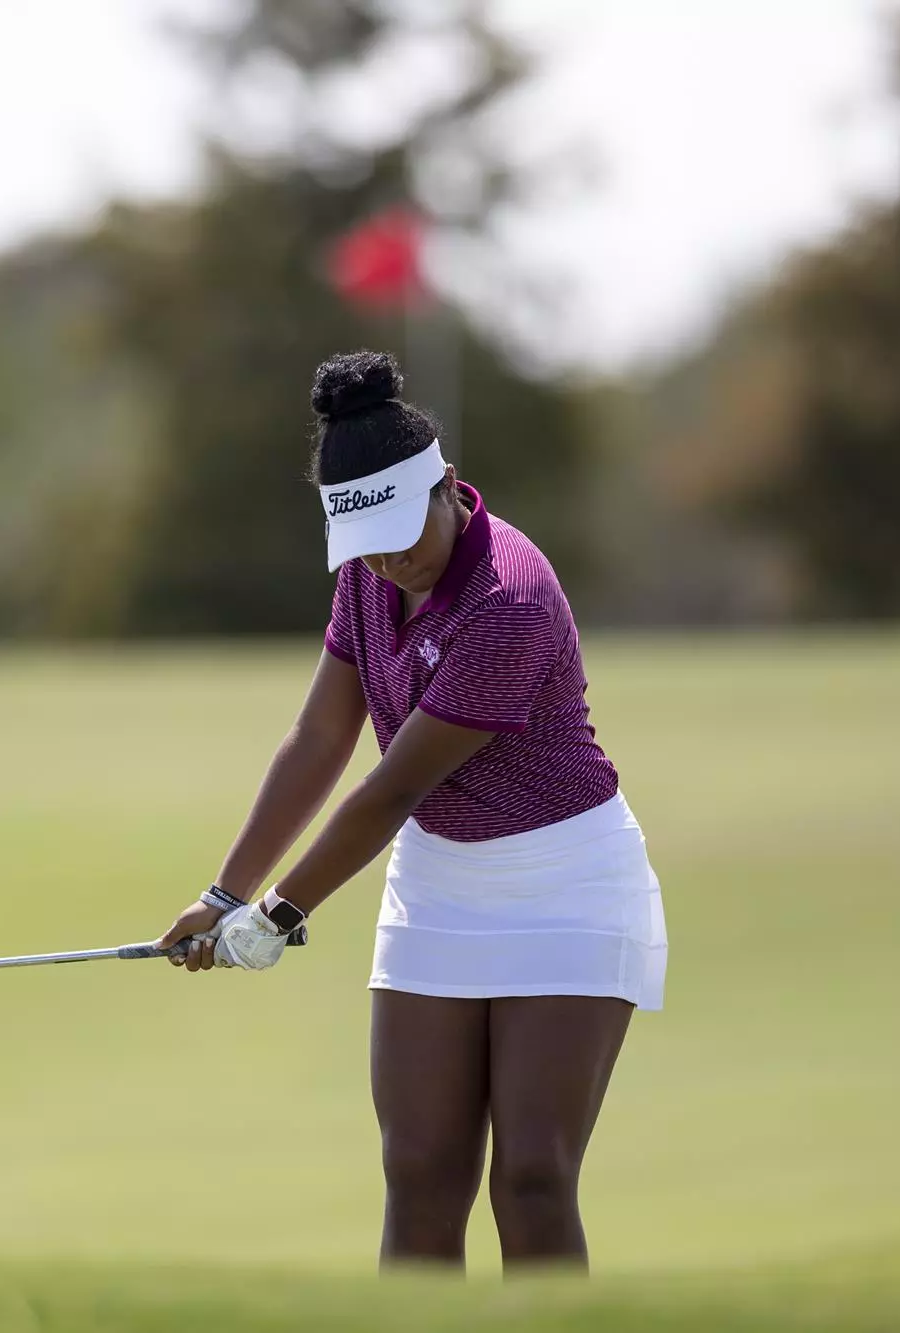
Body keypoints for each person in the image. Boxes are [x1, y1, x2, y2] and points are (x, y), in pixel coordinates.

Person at [153, 350, 667, 1272]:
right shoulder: (368, 574)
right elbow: (320, 737)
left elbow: (392, 788)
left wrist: (278, 913)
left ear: (448, 486)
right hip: (440, 884)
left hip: (568, 883)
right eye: (367, 541)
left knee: (533, 1178)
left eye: (401, 532)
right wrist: (225, 895)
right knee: (421, 1173)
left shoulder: (508, 600)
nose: (391, 559)